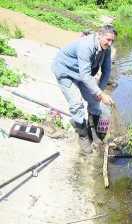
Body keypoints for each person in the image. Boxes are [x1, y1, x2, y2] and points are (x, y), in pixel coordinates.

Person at [51, 25, 118, 154]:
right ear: (99, 34)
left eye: (112, 41)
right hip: (66, 72)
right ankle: (83, 137)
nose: (110, 43)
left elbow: (107, 70)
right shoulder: (86, 46)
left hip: (82, 74)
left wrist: (100, 92)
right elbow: (85, 75)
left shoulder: (107, 48)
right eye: (108, 39)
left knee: (94, 101)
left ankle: (94, 132)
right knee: (76, 104)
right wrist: (101, 94)